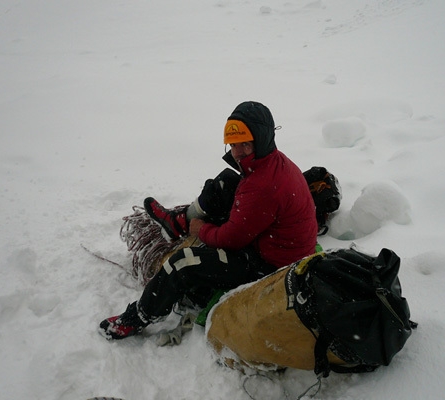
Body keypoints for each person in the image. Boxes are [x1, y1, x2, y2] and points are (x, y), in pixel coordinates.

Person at [99, 101, 318, 340]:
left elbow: (231, 239)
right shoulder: (271, 162)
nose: (237, 151)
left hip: (269, 266)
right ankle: (177, 223)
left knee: (182, 263)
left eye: (245, 143)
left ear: (262, 138)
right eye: (233, 144)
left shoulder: (263, 186)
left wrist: (202, 230)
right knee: (226, 183)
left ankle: (139, 316)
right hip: (271, 242)